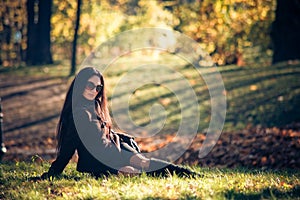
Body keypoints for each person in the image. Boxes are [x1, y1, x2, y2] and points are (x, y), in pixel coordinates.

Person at [41, 67, 199, 179]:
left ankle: (192, 175)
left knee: (143, 162)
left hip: (116, 146)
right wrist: (53, 172)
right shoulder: (77, 114)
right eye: (90, 85)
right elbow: (68, 147)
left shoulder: (95, 104)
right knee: (130, 172)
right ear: (80, 84)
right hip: (98, 161)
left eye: (98, 87)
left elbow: (105, 134)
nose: (94, 90)